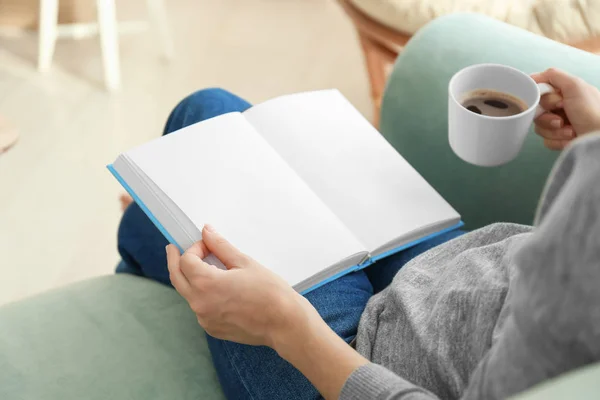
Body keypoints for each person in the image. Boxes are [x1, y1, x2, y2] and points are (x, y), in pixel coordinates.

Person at [116, 68, 600, 400]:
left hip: (351, 365)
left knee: (193, 136)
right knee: (215, 109)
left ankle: (139, 244)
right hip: (449, 272)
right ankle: (146, 237)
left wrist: (283, 325)